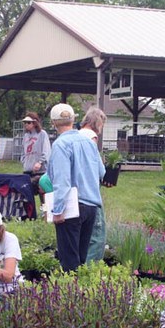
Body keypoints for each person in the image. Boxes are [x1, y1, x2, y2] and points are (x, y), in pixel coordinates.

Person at [48, 103, 105, 271]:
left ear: (53, 123)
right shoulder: (89, 142)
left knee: (69, 261)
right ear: (73, 120)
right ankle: (82, 292)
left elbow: (62, 180)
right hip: (91, 206)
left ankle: (71, 294)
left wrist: (57, 210)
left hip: (72, 207)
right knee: (81, 258)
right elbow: (101, 172)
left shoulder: (60, 145)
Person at [78, 107, 109, 263]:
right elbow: (98, 169)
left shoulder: (74, 136)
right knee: (97, 235)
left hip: (76, 194)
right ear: (97, 122)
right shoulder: (90, 137)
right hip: (90, 193)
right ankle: (90, 270)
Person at [21, 112, 51, 196]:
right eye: (25, 122)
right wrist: (24, 162)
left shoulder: (42, 134)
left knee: (43, 195)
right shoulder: (26, 136)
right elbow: (23, 152)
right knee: (27, 196)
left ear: (34, 123)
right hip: (28, 170)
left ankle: (44, 208)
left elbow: (46, 150)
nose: (26, 124)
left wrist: (40, 162)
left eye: (28, 122)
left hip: (40, 170)